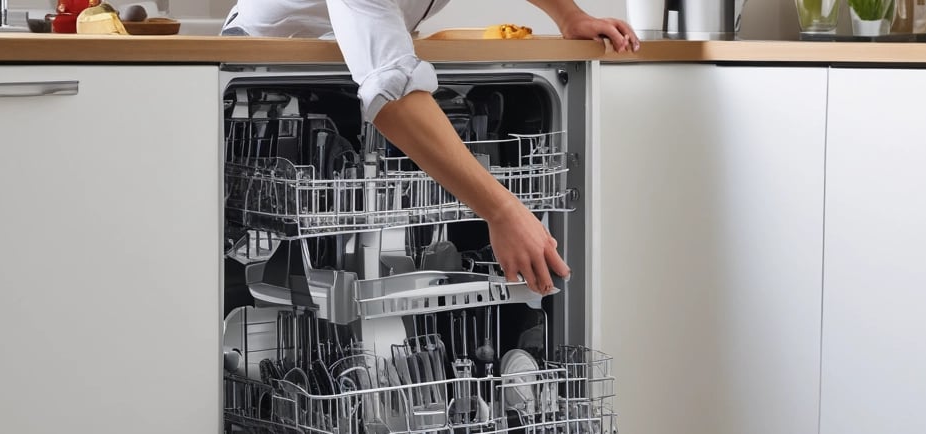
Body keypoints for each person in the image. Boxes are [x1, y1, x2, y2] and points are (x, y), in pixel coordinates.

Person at [222, 0, 640, 295]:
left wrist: (569, 16)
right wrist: (502, 210)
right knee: (302, 260)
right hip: (274, 100)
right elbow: (392, 96)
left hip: (355, 61)